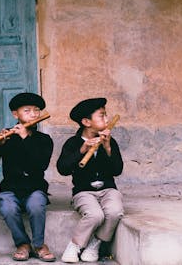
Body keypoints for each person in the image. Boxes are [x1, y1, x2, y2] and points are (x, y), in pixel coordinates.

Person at [0, 92, 56, 262]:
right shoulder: (7, 136)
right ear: (16, 114)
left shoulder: (44, 140)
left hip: (35, 188)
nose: (33, 114)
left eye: (36, 110)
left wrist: (25, 138)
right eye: (27, 110)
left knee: (36, 205)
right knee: (7, 208)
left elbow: (40, 165)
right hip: (11, 189)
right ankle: (23, 244)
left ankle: (39, 245)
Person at [57, 98, 124, 263]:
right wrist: (82, 150)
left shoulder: (110, 141)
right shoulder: (72, 143)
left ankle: (95, 243)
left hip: (108, 189)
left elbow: (117, 170)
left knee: (114, 211)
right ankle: (75, 245)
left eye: (106, 115)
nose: (107, 120)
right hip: (83, 191)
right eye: (102, 116)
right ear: (86, 122)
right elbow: (63, 169)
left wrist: (108, 148)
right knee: (95, 215)